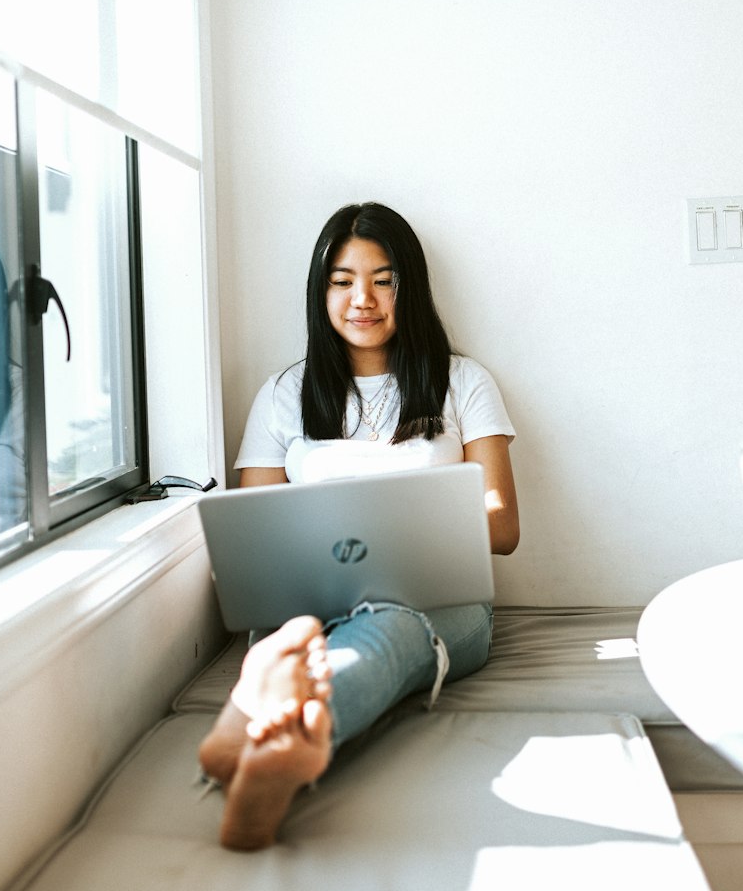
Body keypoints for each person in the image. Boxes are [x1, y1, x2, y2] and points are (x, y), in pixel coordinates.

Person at [198, 202, 519, 850]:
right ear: (321, 293)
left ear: (411, 287)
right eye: (342, 281)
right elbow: (255, 528)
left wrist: (413, 538)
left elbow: (504, 524)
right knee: (306, 628)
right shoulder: (284, 394)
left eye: (384, 278)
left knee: (392, 623)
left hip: (439, 603)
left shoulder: (464, 382)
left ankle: (280, 729)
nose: (362, 298)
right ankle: (276, 723)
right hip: (310, 607)